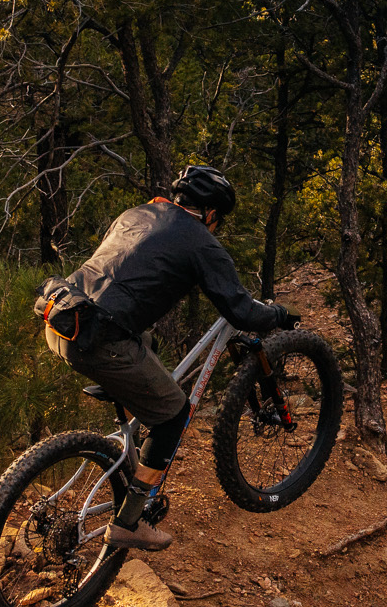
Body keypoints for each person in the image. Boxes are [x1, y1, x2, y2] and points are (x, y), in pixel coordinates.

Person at [48, 165, 297, 551]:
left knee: (147, 341)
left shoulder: (136, 213)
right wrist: (279, 315)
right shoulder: (200, 240)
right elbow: (242, 313)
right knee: (175, 416)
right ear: (211, 213)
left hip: (64, 321)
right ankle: (129, 522)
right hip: (105, 341)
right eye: (219, 220)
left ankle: (133, 447)